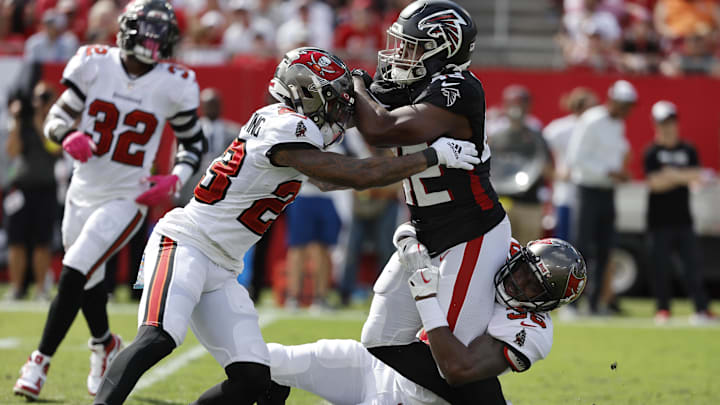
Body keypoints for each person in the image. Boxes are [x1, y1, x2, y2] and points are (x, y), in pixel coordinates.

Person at [91, 46, 480, 405]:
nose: (341, 110)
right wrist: (431, 156)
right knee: (158, 337)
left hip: (223, 266)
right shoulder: (286, 124)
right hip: (186, 242)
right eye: (335, 98)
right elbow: (352, 175)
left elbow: (332, 179)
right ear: (307, 93)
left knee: (255, 381)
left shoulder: (287, 126)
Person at [13, 0, 207, 400]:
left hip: (127, 195)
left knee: (75, 268)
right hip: (82, 189)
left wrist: (174, 179)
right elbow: (56, 118)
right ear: (127, 30)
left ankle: (38, 363)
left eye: (161, 34)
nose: (154, 42)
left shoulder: (174, 82)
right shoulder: (94, 61)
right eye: (148, 32)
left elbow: (193, 143)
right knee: (88, 279)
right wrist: (65, 136)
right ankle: (104, 344)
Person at [349, 0, 511, 400]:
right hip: (426, 233)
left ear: (445, 48)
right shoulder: (411, 83)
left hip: (470, 234)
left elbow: (381, 129)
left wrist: (355, 85)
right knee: (382, 339)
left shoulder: (460, 88)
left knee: (455, 362)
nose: (401, 55)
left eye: (413, 46)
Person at [265, 236, 587, 404]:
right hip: (375, 366)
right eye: (523, 271)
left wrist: (426, 297)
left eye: (534, 287)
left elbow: (460, 370)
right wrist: (412, 236)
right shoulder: (498, 248)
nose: (520, 283)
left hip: (419, 398)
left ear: (548, 305)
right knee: (261, 362)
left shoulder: (533, 330)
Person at [565, 79, 636, 315]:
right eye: (624, 104)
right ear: (612, 100)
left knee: (606, 249)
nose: (627, 110)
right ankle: (573, 304)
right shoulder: (592, 119)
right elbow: (576, 158)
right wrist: (609, 171)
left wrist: (620, 172)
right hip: (588, 190)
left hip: (608, 191)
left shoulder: (618, 125)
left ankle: (595, 304)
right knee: (582, 247)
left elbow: (616, 155)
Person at [643, 101, 716, 326]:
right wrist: (683, 176)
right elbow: (655, 183)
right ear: (655, 124)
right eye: (663, 122)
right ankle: (663, 309)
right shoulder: (652, 152)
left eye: (671, 121)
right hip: (658, 221)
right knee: (661, 269)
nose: (668, 126)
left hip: (684, 220)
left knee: (692, 267)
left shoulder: (688, 149)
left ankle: (701, 309)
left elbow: (698, 174)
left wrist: (671, 174)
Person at [4, 81, 61, 301]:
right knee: (16, 241)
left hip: (45, 188)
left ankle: (40, 289)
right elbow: (12, 151)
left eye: (45, 97)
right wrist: (18, 121)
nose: (40, 102)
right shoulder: (21, 123)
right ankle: (17, 288)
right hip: (21, 188)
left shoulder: (54, 123)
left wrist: (40, 121)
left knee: (42, 241)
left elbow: (55, 150)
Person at [542, 87, 598, 241]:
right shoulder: (562, 128)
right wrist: (553, 173)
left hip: (591, 195)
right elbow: (539, 149)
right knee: (564, 242)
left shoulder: (597, 129)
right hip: (566, 195)